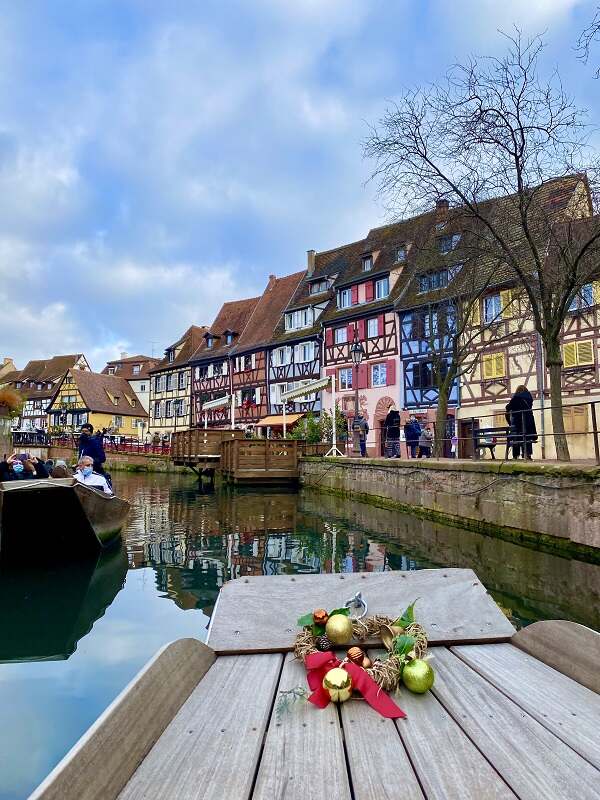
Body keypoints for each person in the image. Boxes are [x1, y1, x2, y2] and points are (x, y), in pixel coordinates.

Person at [506, 384, 537, 460]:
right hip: (528, 420)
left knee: (517, 437)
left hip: (518, 421)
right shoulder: (529, 398)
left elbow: (508, 407)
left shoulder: (516, 398)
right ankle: (527, 455)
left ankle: (515, 456)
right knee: (527, 437)